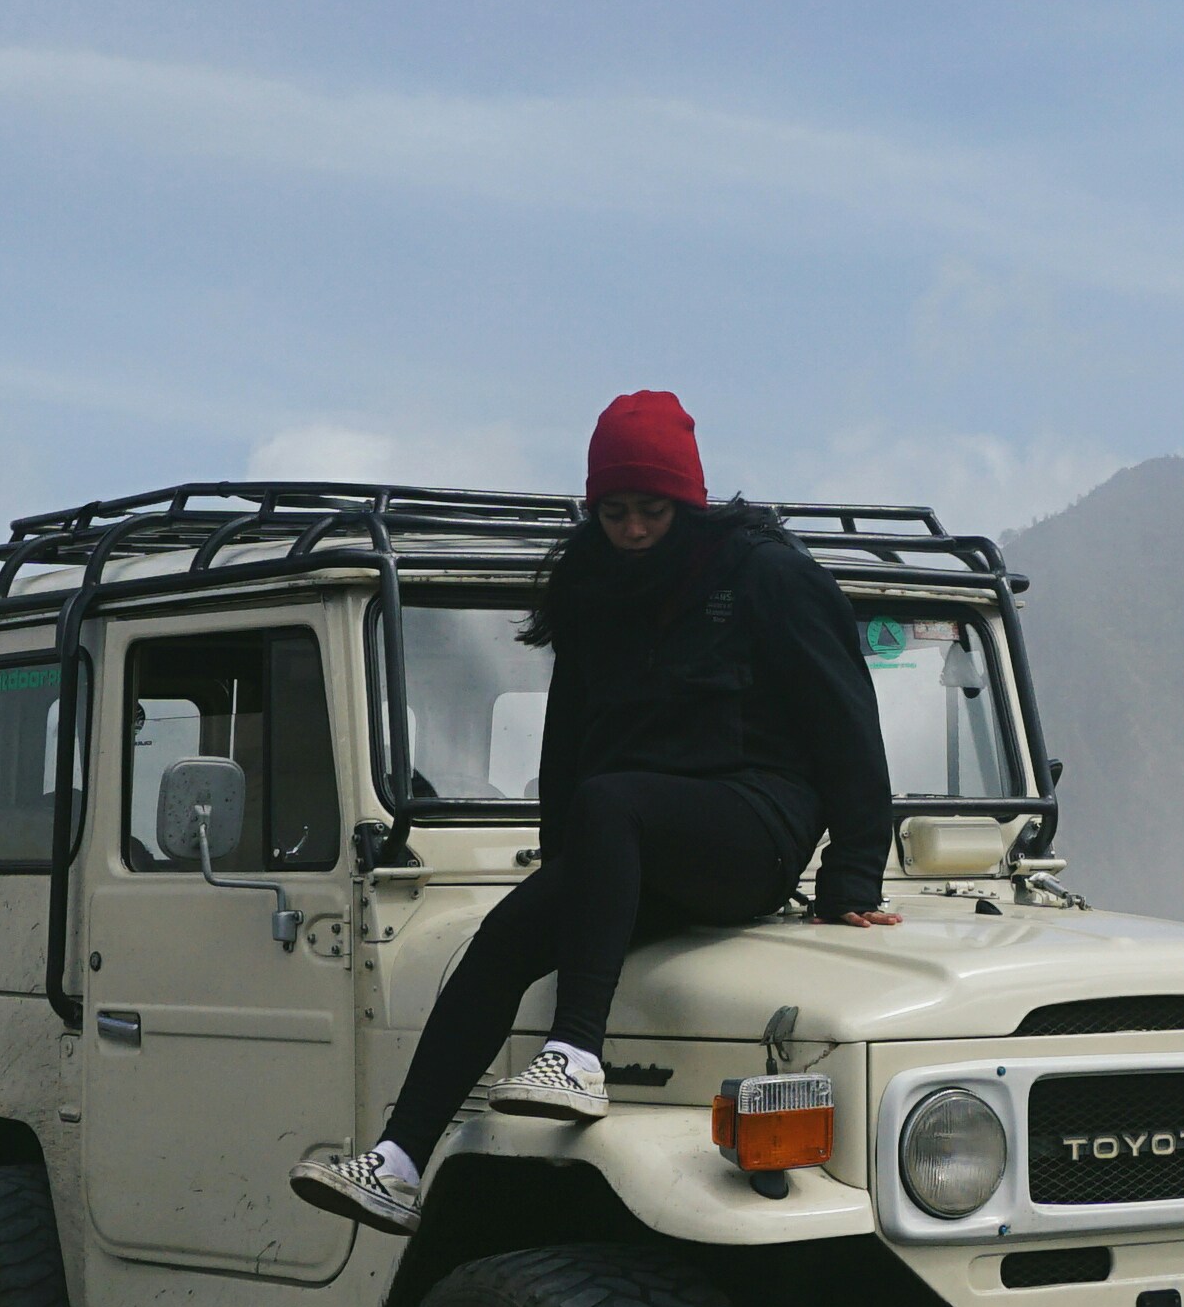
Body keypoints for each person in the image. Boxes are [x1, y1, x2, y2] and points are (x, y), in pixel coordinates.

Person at [295, 392, 898, 1235]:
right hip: (637, 838)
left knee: (613, 800)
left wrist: (851, 873)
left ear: (688, 504)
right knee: (500, 941)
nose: (635, 530)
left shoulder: (765, 573)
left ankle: (576, 1055)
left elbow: (847, 720)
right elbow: (569, 738)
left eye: (652, 511)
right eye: (614, 512)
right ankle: (396, 1164)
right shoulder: (588, 582)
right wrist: (566, 868)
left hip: (754, 829)